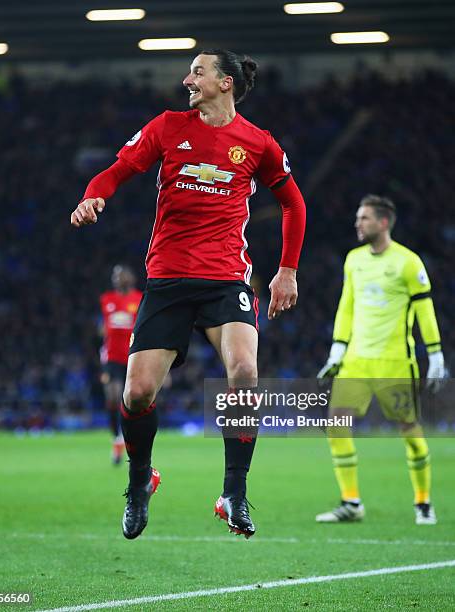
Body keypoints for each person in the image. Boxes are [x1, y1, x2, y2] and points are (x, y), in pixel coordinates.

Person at [71, 49, 306, 540]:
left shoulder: (258, 144)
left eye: (197, 72)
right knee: (137, 393)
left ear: (225, 83)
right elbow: (116, 170)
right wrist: (95, 194)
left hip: (226, 278)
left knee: (244, 371)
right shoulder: (167, 127)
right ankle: (140, 482)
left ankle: (233, 493)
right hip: (169, 279)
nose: (187, 80)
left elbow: (294, 204)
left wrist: (287, 270)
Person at [316, 195, 445, 525]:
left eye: (365, 218)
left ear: (383, 222)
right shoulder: (353, 260)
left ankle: (423, 502)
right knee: (336, 425)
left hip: (394, 362)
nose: (357, 223)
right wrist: (338, 349)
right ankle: (351, 502)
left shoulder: (408, 262)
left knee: (409, 430)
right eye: (358, 218)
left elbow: (424, 310)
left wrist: (435, 353)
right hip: (356, 360)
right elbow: (346, 306)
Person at [99, 264, 142, 465]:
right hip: (112, 358)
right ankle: (116, 439)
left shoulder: (138, 299)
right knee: (113, 395)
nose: (117, 278)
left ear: (130, 278)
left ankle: (131, 439)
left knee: (132, 399)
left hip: (133, 356)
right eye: (115, 275)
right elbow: (103, 328)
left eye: (121, 275)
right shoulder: (106, 299)